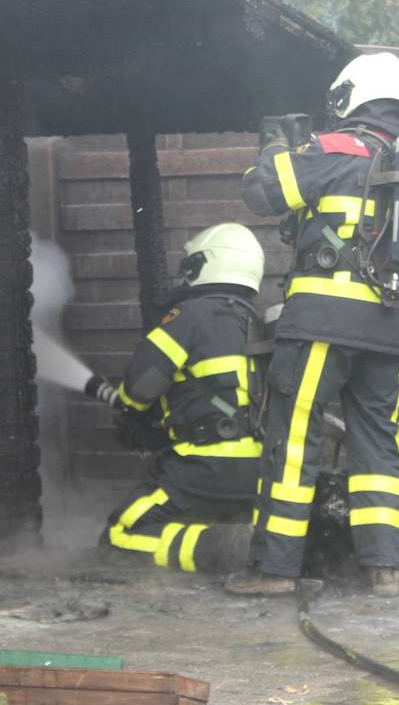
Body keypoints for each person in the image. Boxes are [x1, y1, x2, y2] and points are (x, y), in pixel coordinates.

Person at [226, 51, 399, 597]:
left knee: (293, 439)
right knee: (381, 447)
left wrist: (273, 147)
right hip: (393, 328)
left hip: (325, 324)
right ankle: (385, 571)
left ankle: (273, 570)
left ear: (351, 95)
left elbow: (262, 191)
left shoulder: (336, 149)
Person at [84, 223, 266, 574]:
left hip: (201, 471)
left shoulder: (189, 317)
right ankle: (238, 539)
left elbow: (138, 391)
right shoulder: (258, 322)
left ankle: (213, 548)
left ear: (208, 264)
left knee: (119, 539)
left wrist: (127, 409)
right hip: (258, 476)